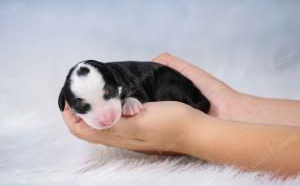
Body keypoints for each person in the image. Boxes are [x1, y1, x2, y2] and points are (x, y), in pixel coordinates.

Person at [61, 53, 300, 177]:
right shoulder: (107, 79)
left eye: (109, 95)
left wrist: (187, 132)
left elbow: (135, 91)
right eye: (85, 107)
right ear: (67, 102)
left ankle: (196, 108)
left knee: (162, 83)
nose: (104, 117)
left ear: (115, 82)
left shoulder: (120, 77)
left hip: (165, 81)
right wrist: (231, 107)